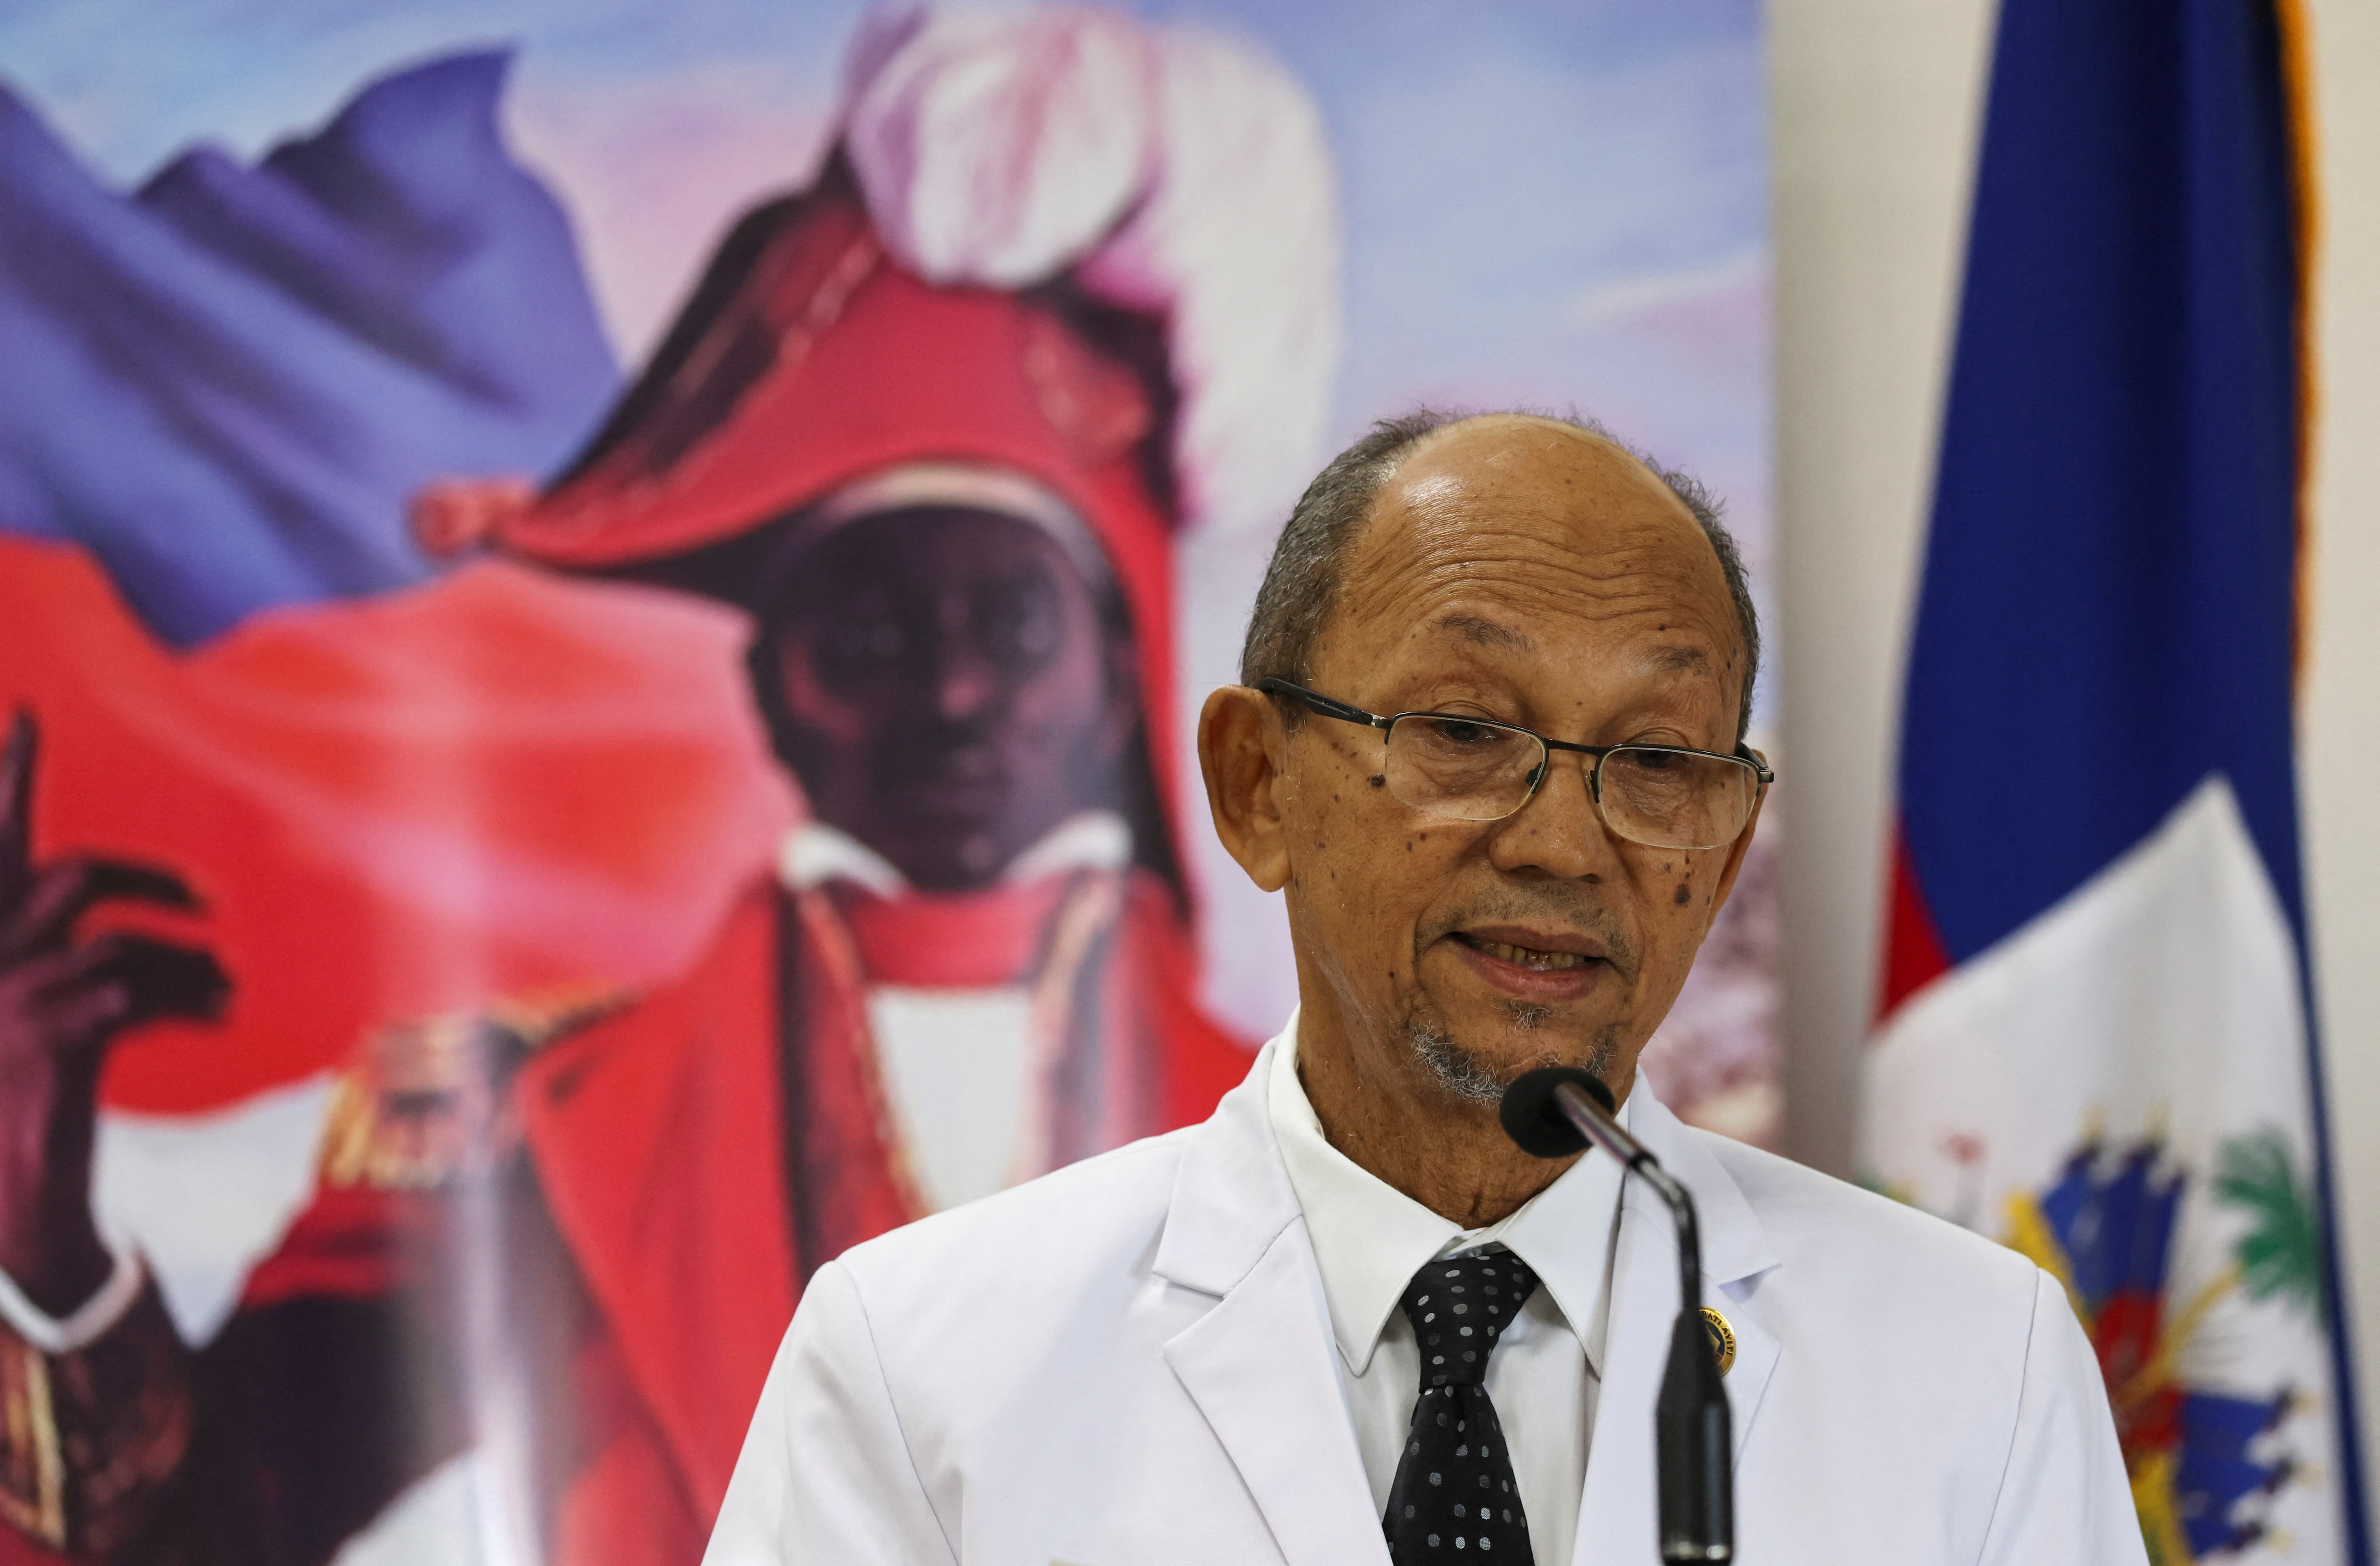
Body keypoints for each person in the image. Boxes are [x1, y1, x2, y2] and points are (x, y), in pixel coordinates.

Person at [0, 10, 1335, 1563]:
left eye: (1016, 625)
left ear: (1115, 669)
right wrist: (41, 1227)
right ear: (768, 687)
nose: (954, 691)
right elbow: (201, 1533)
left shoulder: (1331, 1153)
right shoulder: (523, 1126)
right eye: (870, 631)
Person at [702, 410, 2147, 1566]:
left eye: (1657, 760)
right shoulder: (925, 1364)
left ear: (1723, 849)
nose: (1564, 842)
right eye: (1464, 729)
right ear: (1257, 784)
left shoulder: (1976, 1364)